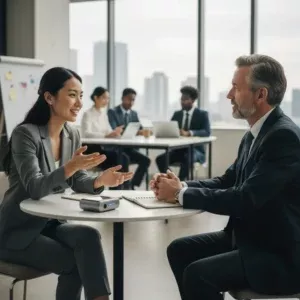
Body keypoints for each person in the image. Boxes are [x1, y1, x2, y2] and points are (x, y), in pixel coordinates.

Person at [150, 54, 300, 300]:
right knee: (179, 250)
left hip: (278, 254)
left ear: (260, 95)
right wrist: (181, 185)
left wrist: (179, 195)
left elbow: (245, 199)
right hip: (250, 239)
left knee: (198, 274)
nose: (230, 95)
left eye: (235, 87)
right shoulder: (255, 132)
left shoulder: (283, 137)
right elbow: (227, 181)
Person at [0, 67, 133, 300]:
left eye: (81, 95)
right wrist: (71, 166)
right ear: (49, 97)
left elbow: (77, 179)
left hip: (50, 224)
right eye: (72, 94)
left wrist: (100, 180)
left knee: (88, 236)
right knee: (75, 263)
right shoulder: (25, 135)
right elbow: (35, 187)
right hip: (18, 232)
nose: (79, 102)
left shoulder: (72, 134)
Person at [155, 86, 211, 180]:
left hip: (196, 151)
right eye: (181, 99)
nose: (182, 101)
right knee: (160, 159)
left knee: (188, 157)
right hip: (178, 150)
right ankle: (172, 180)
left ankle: (180, 182)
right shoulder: (177, 114)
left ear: (192, 101)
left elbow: (206, 132)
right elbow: (171, 128)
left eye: (185, 99)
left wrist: (189, 133)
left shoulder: (202, 114)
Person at [81, 86, 130, 186]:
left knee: (124, 157)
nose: (106, 101)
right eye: (104, 97)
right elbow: (86, 134)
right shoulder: (88, 114)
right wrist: (106, 136)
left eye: (108, 98)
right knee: (118, 158)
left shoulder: (104, 114)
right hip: (92, 149)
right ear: (95, 98)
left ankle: (124, 186)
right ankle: (118, 187)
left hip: (103, 148)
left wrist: (116, 133)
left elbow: (109, 131)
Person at [108, 88, 151, 189]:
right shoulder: (113, 112)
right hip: (117, 149)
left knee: (146, 160)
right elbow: (115, 129)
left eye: (133, 100)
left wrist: (142, 131)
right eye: (129, 99)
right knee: (124, 159)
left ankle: (132, 184)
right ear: (123, 98)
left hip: (130, 148)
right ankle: (126, 186)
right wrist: (136, 132)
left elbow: (139, 129)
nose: (131, 102)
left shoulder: (134, 113)